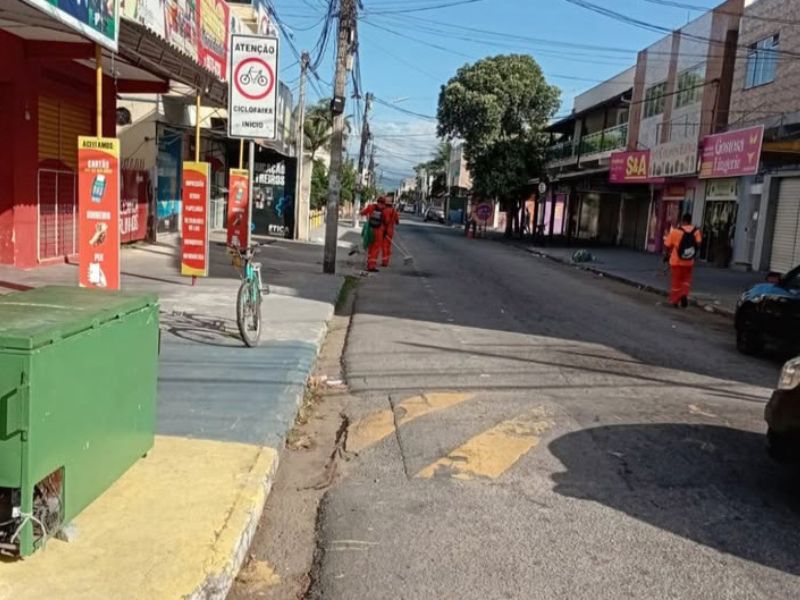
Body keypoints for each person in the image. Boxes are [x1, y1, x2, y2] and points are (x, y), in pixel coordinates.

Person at [663, 213, 702, 308]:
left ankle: (675, 301)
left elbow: (667, 245)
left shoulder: (676, 231)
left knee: (676, 282)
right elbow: (699, 243)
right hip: (689, 262)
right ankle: (684, 294)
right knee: (686, 280)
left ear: (683, 221)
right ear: (690, 221)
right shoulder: (696, 232)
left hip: (676, 262)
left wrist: (667, 255)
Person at [361, 196, 387, 272]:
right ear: (384, 203)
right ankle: (371, 266)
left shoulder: (371, 207)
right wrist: (385, 232)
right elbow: (386, 221)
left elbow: (362, 213)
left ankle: (369, 263)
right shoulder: (384, 210)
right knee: (375, 249)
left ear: (377, 201)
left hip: (370, 230)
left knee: (370, 247)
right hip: (379, 231)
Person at [381, 195, 401, 267]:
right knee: (388, 246)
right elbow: (397, 222)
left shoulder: (384, 211)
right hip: (391, 231)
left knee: (384, 246)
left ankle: (385, 262)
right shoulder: (394, 211)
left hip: (385, 230)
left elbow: (383, 221)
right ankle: (387, 260)